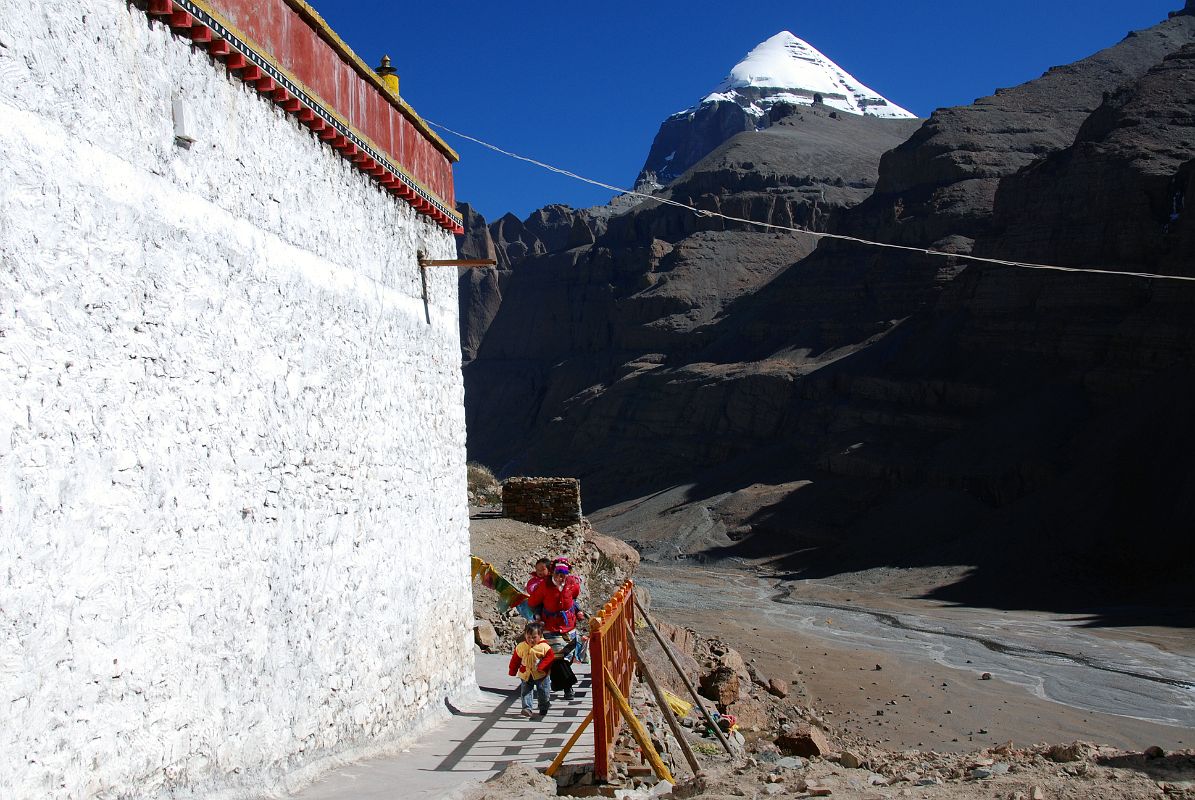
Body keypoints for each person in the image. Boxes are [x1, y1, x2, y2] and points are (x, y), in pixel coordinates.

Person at [527, 561, 583, 700]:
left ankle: (559, 684)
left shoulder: (571, 583)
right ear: (553, 572)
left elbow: (575, 594)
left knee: (566, 657)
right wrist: (538, 615)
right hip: (550, 626)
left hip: (568, 626)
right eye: (558, 573)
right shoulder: (544, 585)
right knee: (558, 657)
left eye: (563, 574)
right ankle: (568, 688)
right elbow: (533, 602)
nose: (560, 577)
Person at [508, 621, 554, 718]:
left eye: (534, 637)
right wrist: (513, 670)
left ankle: (543, 707)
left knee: (543, 692)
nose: (531, 640)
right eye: (528, 637)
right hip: (526, 674)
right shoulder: (521, 647)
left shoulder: (544, 647)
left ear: (540, 636)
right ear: (525, 635)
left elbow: (549, 658)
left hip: (541, 675)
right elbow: (515, 659)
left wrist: (542, 667)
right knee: (525, 691)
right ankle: (527, 708)